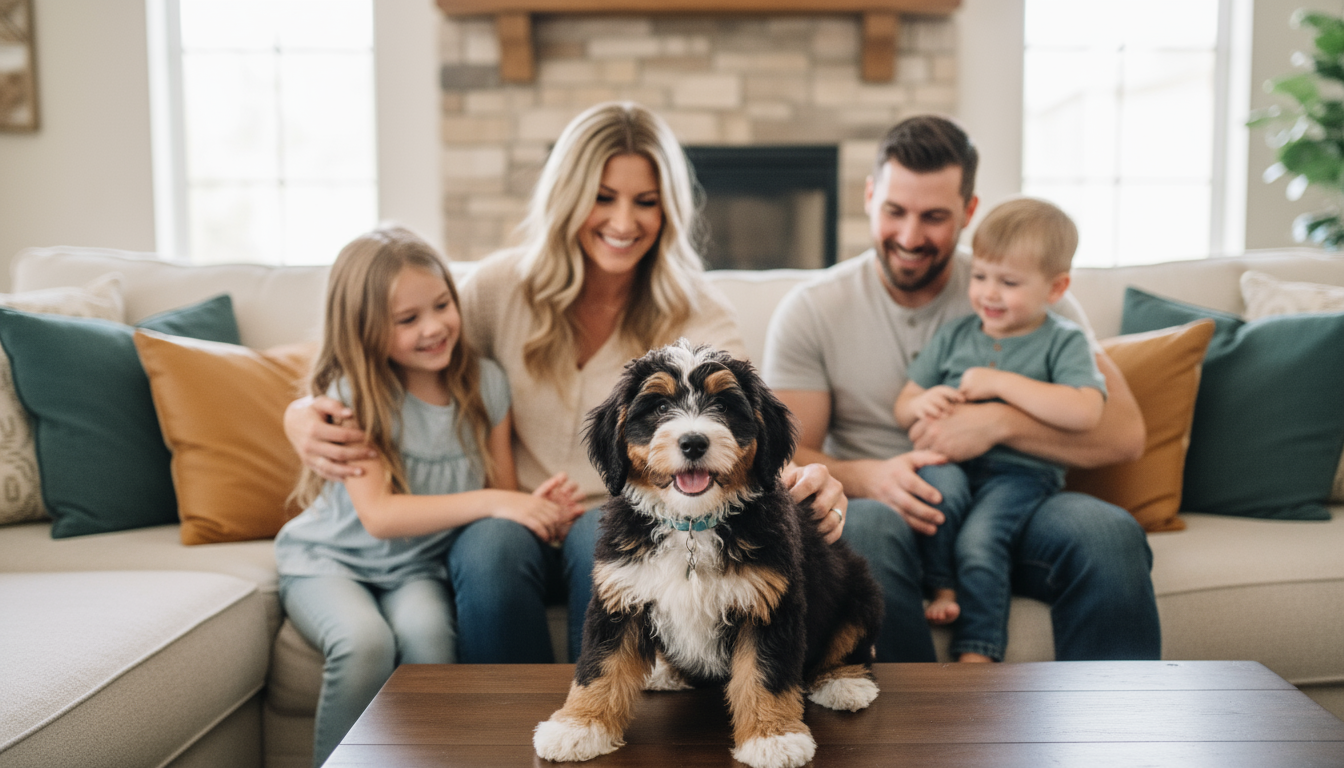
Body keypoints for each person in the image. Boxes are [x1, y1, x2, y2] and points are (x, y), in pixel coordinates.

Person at [283, 101, 850, 665]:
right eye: (602, 198)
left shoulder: (698, 312)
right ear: (566, 197)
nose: (624, 222)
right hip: (516, 511)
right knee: (487, 549)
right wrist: (303, 409)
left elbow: (738, 427)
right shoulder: (498, 288)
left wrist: (807, 481)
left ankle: (606, 726)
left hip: (631, 513)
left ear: (668, 211)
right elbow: (389, 355)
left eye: (645, 202)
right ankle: (499, 734)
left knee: (594, 539)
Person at [762, 114, 1161, 663]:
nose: (909, 236)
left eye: (933, 217)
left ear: (969, 212)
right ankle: (919, 744)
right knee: (870, 530)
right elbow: (783, 454)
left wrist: (1000, 422)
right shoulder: (813, 309)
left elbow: (1125, 435)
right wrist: (869, 477)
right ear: (870, 195)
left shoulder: (1020, 291)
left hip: (1010, 497)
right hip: (884, 508)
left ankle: (1119, 744)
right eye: (895, 211)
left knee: (1107, 534)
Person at [274, 226, 582, 766]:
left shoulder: (486, 384)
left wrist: (539, 510)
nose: (435, 327)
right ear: (366, 329)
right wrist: (496, 501)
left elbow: (503, 493)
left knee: (431, 643)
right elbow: (380, 515)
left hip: (416, 571)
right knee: (363, 644)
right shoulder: (355, 396)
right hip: (329, 563)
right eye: (408, 319)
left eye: (442, 305)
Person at [892, 198, 1106, 662]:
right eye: (981, 276)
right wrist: (922, 403)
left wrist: (1001, 383)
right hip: (951, 462)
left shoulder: (1062, 339)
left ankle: (978, 650)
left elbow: (1086, 410)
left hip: (1020, 475)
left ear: (1056, 288)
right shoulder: (956, 334)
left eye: (1008, 283)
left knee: (980, 539)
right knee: (936, 498)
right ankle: (943, 589)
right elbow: (904, 404)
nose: (989, 293)